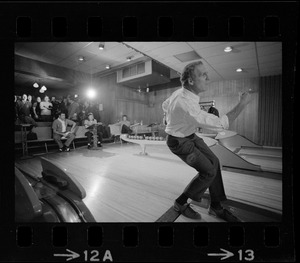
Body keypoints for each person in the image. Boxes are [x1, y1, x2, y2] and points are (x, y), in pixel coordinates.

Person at [162, 61, 251, 221]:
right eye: (203, 74)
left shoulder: (181, 92)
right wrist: (243, 103)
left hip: (189, 135)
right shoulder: (187, 104)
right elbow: (220, 124)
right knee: (208, 171)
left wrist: (168, 119)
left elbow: (165, 105)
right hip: (179, 142)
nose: (208, 77)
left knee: (215, 162)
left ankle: (216, 206)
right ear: (191, 81)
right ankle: (180, 203)